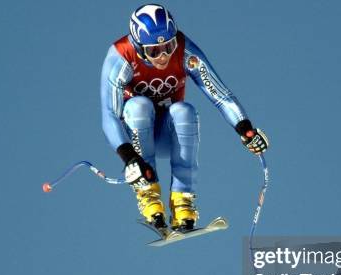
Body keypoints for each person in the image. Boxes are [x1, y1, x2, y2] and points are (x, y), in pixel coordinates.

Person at [100, 4, 269, 230]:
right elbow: (109, 114)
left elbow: (219, 94)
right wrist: (129, 157)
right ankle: (148, 197)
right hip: (136, 140)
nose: (163, 56)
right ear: (138, 48)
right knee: (139, 106)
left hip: (170, 136)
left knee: (185, 110)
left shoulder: (184, 51)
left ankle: (183, 201)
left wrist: (245, 129)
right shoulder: (121, 56)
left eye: (168, 46)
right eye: (153, 51)